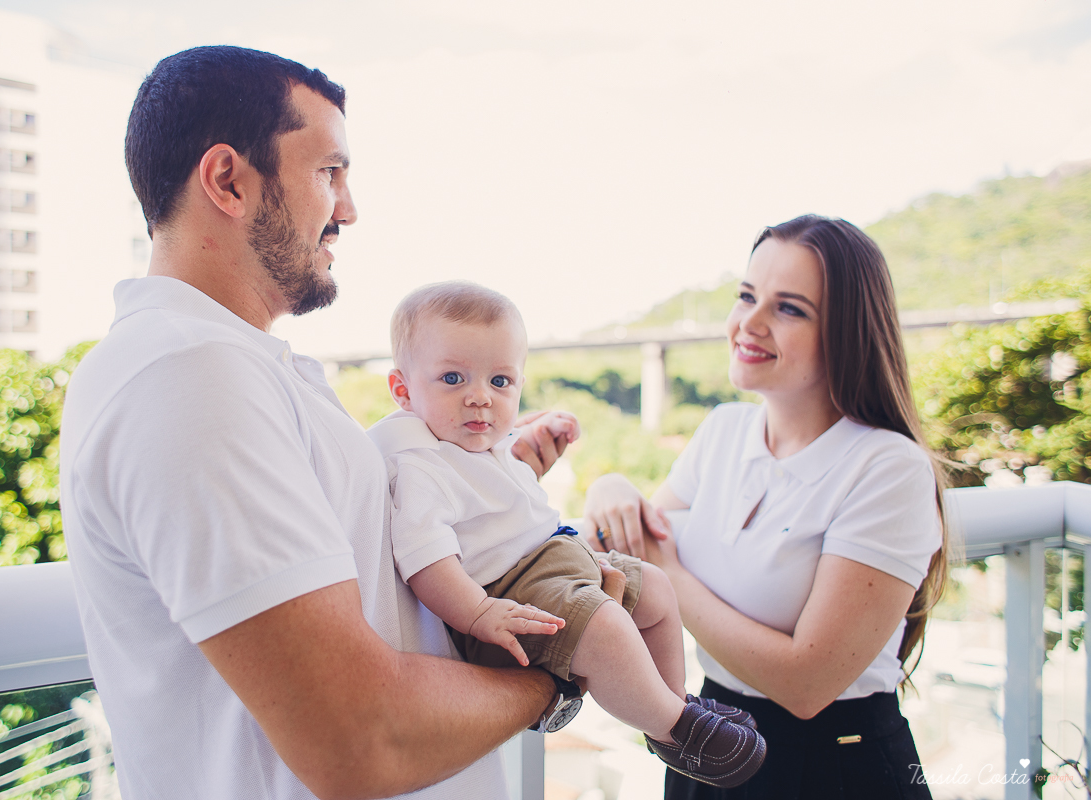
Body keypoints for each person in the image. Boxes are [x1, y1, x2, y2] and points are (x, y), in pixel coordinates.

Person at [59, 46, 607, 800]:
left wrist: (486, 477)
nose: (348, 209)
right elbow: (359, 737)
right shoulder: (187, 376)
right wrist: (561, 666)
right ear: (228, 181)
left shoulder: (229, 367)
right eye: (329, 172)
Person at [583, 215, 949, 799]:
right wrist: (609, 487)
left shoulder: (888, 468)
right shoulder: (723, 431)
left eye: (789, 309)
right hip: (708, 743)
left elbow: (808, 684)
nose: (749, 323)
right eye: (747, 296)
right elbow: (630, 546)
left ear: (846, 333)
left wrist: (668, 574)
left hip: (831, 766)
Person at [367, 281, 766, 787]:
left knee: (657, 590)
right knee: (605, 626)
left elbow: (502, 483)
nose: (480, 397)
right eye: (452, 378)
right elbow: (427, 559)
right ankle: (672, 724)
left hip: (557, 557)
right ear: (403, 390)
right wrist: (479, 612)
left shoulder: (475, 440)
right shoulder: (419, 464)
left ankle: (674, 709)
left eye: (500, 381)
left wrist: (534, 435)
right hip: (507, 590)